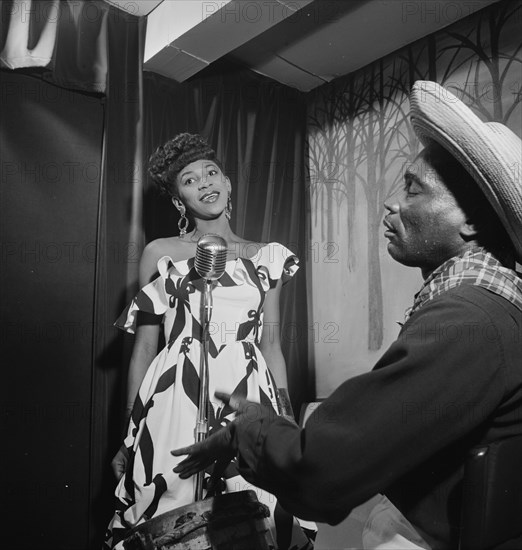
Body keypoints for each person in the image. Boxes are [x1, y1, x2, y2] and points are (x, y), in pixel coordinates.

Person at [172, 81, 522, 549]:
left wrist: (249, 429)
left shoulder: (469, 319)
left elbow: (319, 469)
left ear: (472, 222)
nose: (392, 202)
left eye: (413, 189)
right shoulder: (488, 305)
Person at [104, 133, 313, 549]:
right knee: (167, 508)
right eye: (189, 180)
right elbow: (144, 348)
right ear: (179, 201)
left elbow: (271, 344)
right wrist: (129, 432)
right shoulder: (160, 253)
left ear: (229, 183)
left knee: (252, 510)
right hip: (174, 399)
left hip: (246, 392)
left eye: (212, 173)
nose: (205, 183)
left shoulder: (267, 256)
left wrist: (285, 419)